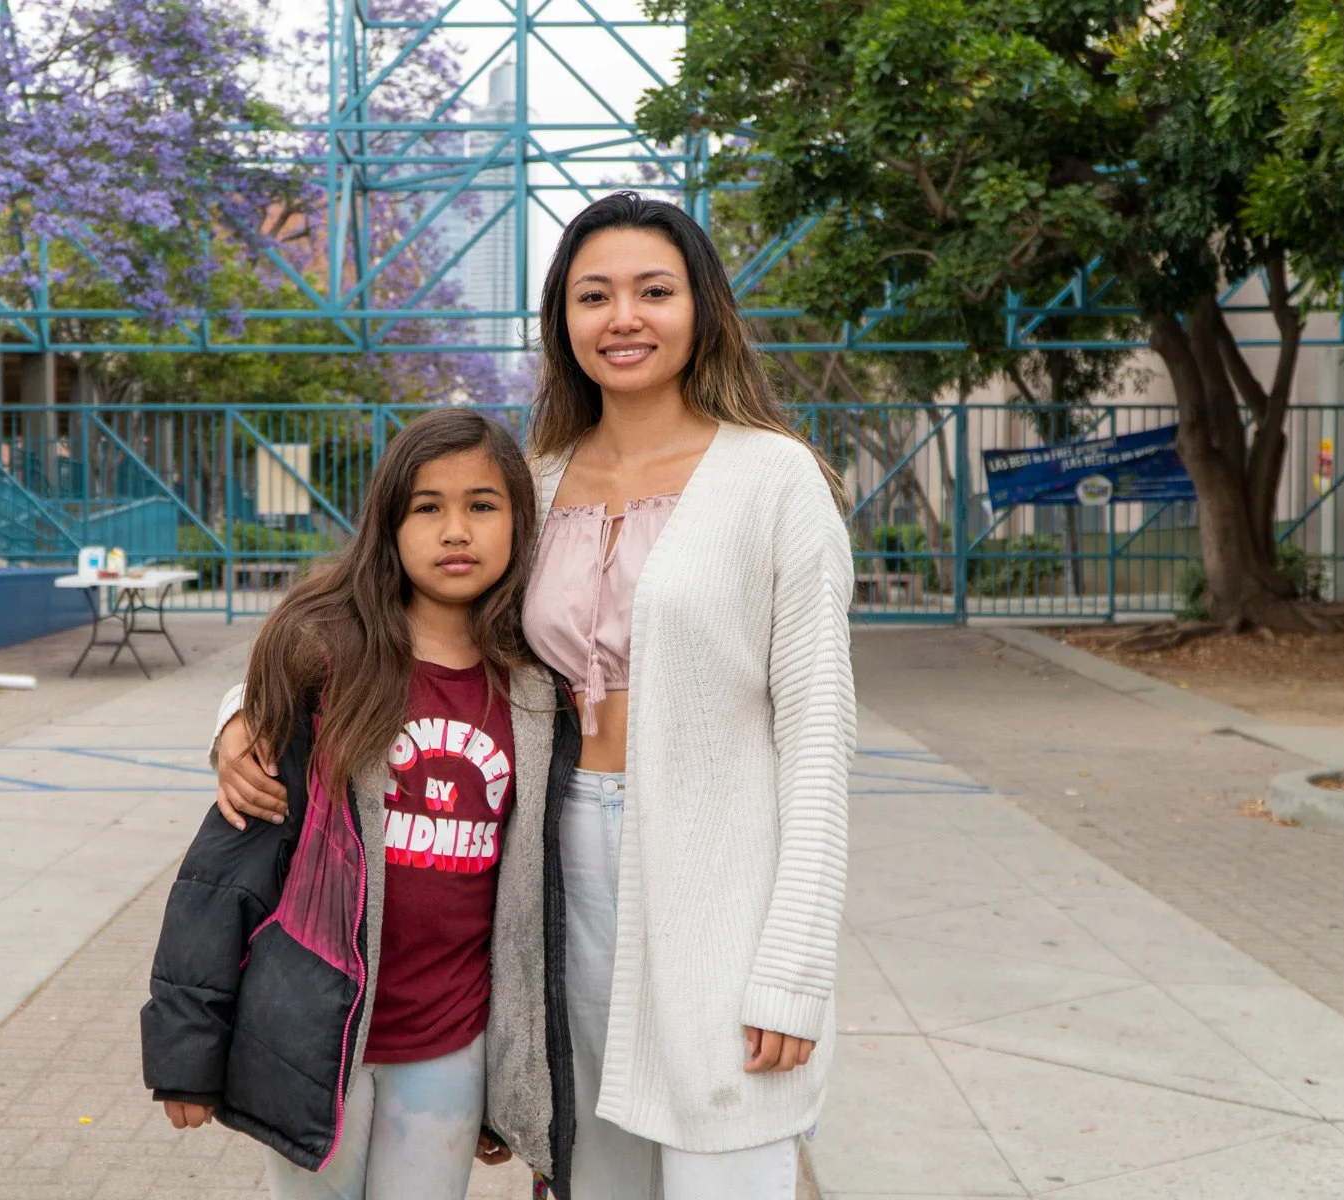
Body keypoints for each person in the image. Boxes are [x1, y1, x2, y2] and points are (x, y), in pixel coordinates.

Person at [214, 190, 856, 1200]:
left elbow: (819, 741)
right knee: (590, 1168)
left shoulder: (775, 481)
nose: (624, 319)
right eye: (593, 295)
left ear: (703, 308)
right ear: (563, 318)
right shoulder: (537, 481)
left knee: (724, 1165)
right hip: (550, 876)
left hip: (713, 885)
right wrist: (242, 716)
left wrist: (795, 968)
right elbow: (385, 613)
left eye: (655, 291)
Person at [141, 408, 581, 1200]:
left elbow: (540, 897)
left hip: (449, 1041)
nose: (456, 530)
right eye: (427, 506)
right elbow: (223, 871)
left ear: (519, 521)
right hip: (309, 1040)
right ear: (388, 521)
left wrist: (520, 1081)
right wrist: (186, 1050)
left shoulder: (537, 686)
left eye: (482, 505)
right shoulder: (325, 660)